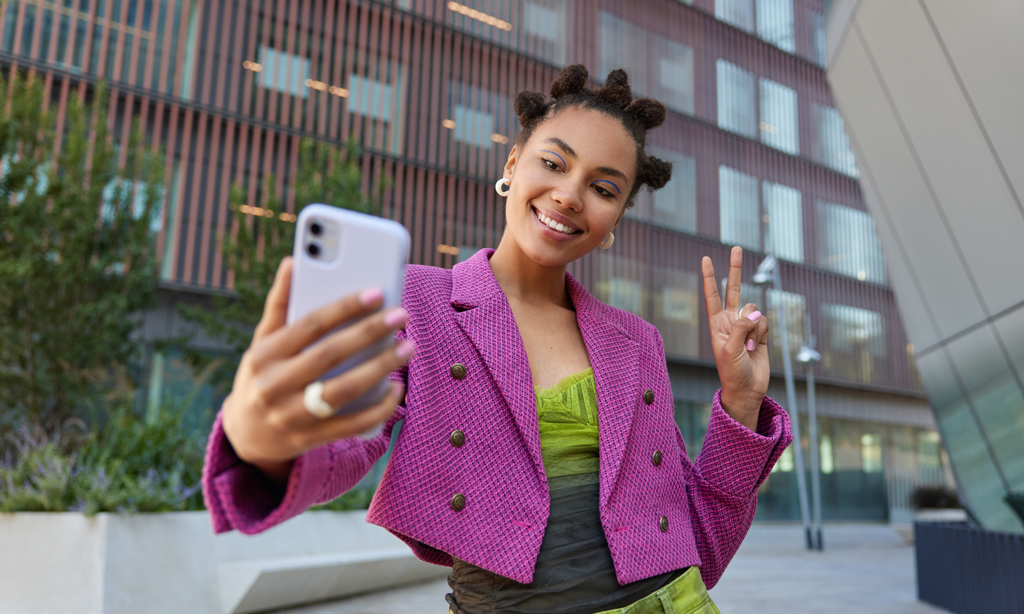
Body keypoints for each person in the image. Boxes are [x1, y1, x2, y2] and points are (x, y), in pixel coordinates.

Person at [203, 64, 793, 614]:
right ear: (512, 165)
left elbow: (701, 544)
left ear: (615, 221)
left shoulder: (636, 342)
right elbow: (350, 434)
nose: (568, 195)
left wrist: (740, 402)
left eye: (604, 189)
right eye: (554, 163)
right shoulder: (419, 301)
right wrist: (264, 442)